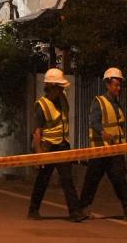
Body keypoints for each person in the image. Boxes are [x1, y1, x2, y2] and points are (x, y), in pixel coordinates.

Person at [77, 67, 127, 221]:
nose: (118, 88)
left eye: (120, 85)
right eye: (116, 85)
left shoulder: (117, 103)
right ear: (107, 84)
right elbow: (93, 121)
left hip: (114, 150)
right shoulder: (99, 102)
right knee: (92, 180)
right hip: (100, 150)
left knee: (119, 178)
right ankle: (82, 209)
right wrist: (103, 133)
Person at [27, 68, 85, 222]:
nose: (61, 90)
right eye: (59, 87)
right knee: (43, 179)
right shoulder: (42, 105)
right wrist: (39, 155)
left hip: (63, 144)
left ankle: (75, 212)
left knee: (67, 179)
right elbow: (37, 132)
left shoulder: (63, 99)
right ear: (51, 86)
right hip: (48, 147)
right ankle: (33, 209)